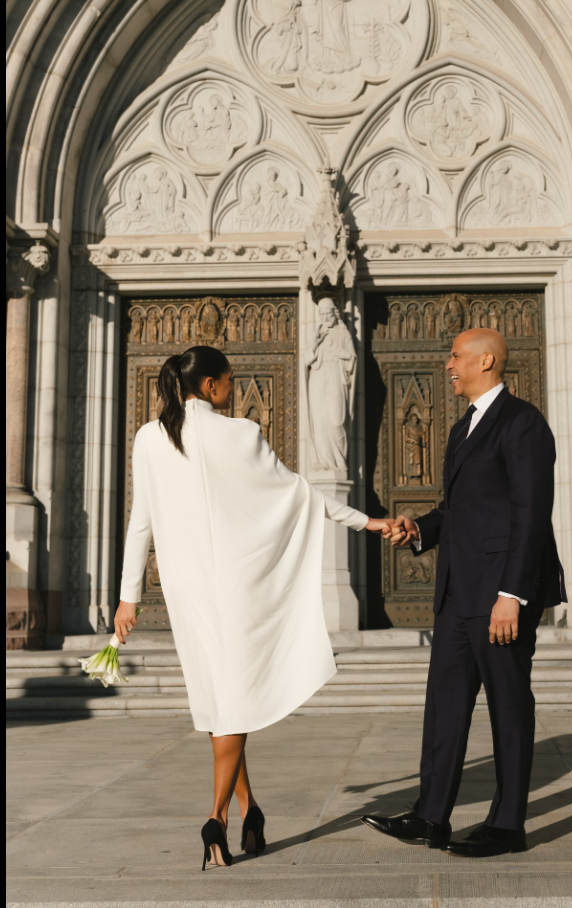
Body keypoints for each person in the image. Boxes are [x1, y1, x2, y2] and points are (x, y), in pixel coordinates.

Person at [114, 345, 389, 871]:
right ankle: (215, 817)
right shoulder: (239, 433)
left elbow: (140, 521)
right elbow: (300, 495)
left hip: (186, 590)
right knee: (233, 701)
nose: (234, 389)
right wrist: (366, 522)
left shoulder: (149, 438)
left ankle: (251, 810)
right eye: (231, 381)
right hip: (238, 585)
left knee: (223, 701)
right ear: (211, 387)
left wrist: (129, 597)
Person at [363, 328, 566, 857]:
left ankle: (506, 825)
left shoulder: (523, 424)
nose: (447, 364)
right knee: (445, 705)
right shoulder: (461, 428)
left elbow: (530, 516)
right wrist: (420, 530)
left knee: (508, 706)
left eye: (455, 356)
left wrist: (513, 595)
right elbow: (461, 512)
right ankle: (432, 815)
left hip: (499, 595)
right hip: (457, 593)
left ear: (487, 360)